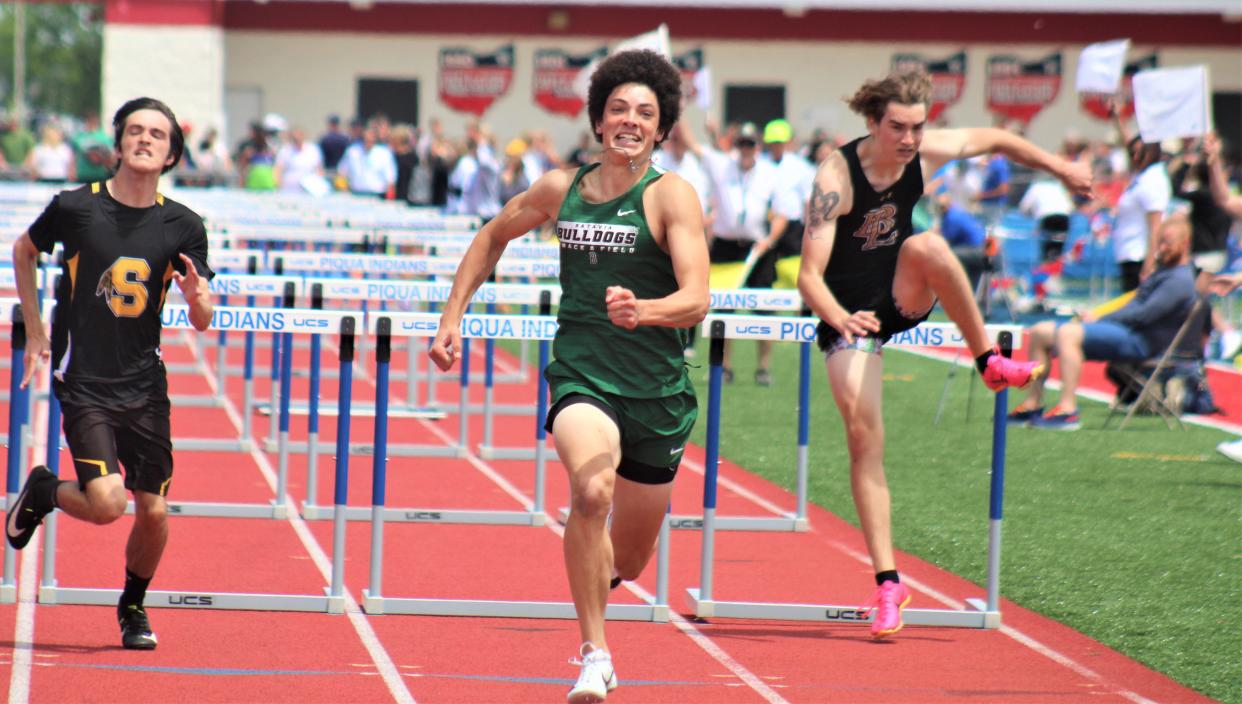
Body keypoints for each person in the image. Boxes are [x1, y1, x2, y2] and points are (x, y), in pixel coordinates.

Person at [428, 49, 707, 703]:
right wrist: (451, 316)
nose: (630, 121)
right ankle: (595, 654)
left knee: (629, 562)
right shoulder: (564, 189)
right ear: (599, 119)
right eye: (619, 109)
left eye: (645, 112)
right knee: (589, 490)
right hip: (583, 373)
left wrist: (647, 310)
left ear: (661, 127)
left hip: (659, 394)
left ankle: (593, 580)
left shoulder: (671, 196)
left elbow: (697, 298)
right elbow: (493, 235)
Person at [796, 70, 1091, 639]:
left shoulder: (926, 151)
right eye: (897, 128)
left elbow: (1000, 139)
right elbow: (809, 278)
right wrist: (840, 319)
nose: (909, 139)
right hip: (847, 314)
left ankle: (988, 363)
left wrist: (1061, 168)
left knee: (928, 243)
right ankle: (889, 583)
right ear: (873, 122)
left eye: (918, 127)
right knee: (863, 438)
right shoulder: (836, 176)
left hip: (904, 292)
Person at [5, 97, 214, 650]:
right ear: (119, 142)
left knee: (154, 511)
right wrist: (36, 330)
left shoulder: (184, 225)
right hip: (86, 381)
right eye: (136, 131)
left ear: (171, 155)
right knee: (106, 503)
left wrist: (199, 299)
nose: (146, 140)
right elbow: (24, 251)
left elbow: (203, 314)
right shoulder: (76, 207)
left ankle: (133, 606)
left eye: (158, 135)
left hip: (145, 384)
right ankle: (47, 490)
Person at [1009, 216, 1197, 429]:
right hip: (1126, 331)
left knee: (1068, 333)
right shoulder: (1165, 272)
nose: (1161, 248)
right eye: (1160, 242)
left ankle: (1068, 410)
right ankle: (1033, 404)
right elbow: (1132, 307)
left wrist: (1099, 318)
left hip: (1141, 342)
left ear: (1185, 243)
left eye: (1168, 243)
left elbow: (1144, 315)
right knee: (1040, 332)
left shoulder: (1179, 280)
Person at [680, 119, 788, 385]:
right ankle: (723, 366)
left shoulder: (770, 173)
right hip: (726, 248)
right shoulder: (722, 165)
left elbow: (782, 214)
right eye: (741, 143)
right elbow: (692, 144)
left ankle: (763, 368)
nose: (746, 148)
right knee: (723, 309)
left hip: (757, 249)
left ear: (758, 146)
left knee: (765, 308)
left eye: (750, 143)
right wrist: (680, 107)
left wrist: (769, 239)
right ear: (735, 144)